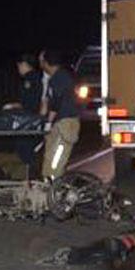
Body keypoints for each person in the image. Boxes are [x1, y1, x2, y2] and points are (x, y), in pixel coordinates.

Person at [39, 49, 80, 180]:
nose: (40, 64)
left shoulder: (60, 77)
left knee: (56, 160)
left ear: (46, 62)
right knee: (50, 156)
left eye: (41, 61)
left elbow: (56, 101)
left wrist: (48, 122)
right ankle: (48, 187)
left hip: (65, 123)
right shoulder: (55, 78)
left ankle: (53, 189)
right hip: (60, 123)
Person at [4, 53, 44, 176]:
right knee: (26, 150)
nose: (18, 69)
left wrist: (13, 106)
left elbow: (30, 103)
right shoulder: (38, 77)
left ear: (24, 65)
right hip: (31, 121)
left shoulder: (30, 79)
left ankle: (30, 177)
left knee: (25, 150)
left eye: (19, 66)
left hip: (29, 122)